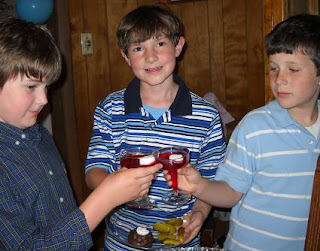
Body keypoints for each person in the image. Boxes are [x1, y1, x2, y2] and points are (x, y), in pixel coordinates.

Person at [0, 17, 161, 250]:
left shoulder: (39, 136)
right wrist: (104, 198)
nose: (44, 99)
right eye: (31, 87)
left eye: (47, 87)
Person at [164, 14, 320, 251]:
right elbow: (230, 193)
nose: (279, 79)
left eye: (294, 69)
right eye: (274, 68)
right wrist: (200, 187)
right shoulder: (254, 127)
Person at [85, 4, 226, 250]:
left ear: (178, 46)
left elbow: (212, 182)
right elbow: (93, 173)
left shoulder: (206, 116)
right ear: (126, 56)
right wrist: (117, 187)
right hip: (120, 243)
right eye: (139, 48)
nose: (150, 57)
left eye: (160, 44)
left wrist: (201, 214)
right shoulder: (110, 109)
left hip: (181, 242)